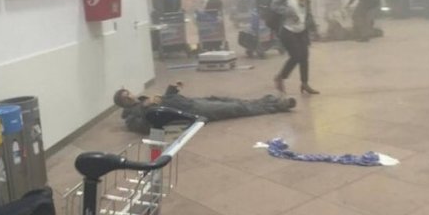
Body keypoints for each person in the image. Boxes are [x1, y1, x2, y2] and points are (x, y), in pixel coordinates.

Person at [114, 82, 297, 134]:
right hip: (192, 110)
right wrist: (145, 106)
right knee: (236, 108)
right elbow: (146, 127)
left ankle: (271, 101)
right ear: (123, 104)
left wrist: (171, 91)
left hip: (188, 101)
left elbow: (163, 103)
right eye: (125, 98)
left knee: (232, 101)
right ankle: (278, 106)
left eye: (128, 93)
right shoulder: (131, 117)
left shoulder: (141, 101)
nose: (130, 96)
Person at [270, 0, 319, 95]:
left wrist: (312, 27)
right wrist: (287, 12)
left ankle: (304, 83)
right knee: (296, 56)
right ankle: (280, 77)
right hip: (288, 29)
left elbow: (307, 11)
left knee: (304, 57)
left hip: (302, 29)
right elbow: (274, 5)